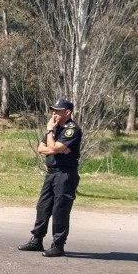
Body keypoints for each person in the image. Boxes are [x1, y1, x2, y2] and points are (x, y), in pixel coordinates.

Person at [18, 98, 82, 257]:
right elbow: (41, 148)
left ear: (67, 112)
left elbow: (53, 146)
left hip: (65, 174)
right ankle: (37, 240)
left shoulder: (71, 129)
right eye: (53, 110)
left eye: (58, 111)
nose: (54, 113)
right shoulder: (55, 128)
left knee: (60, 210)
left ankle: (58, 245)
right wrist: (54, 147)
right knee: (43, 207)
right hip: (51, 173)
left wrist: (50, 137)